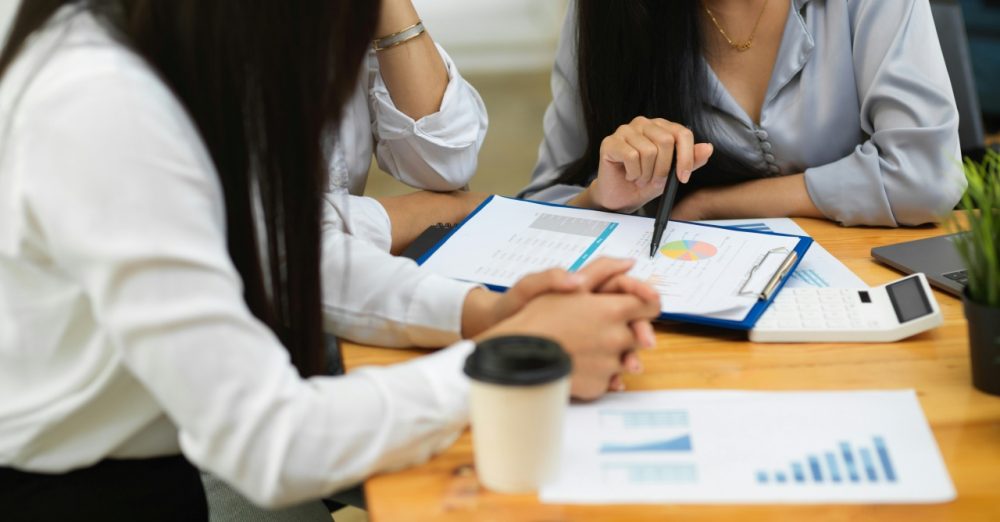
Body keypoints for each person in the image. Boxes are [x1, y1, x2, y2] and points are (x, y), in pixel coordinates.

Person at [0, 1, 661, 520]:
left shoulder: (164, 50)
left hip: (150, 458)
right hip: (75, 489)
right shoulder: (106, 104)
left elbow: (283, 254)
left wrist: (482, 313)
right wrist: (506, 358)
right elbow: (269, 441)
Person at [520, 0, 966, 227]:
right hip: (681, 306)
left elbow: (927, 176)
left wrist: (711, 205)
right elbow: (535, 208)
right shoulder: (605, 15)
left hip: (859, 291)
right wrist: (602, 196)